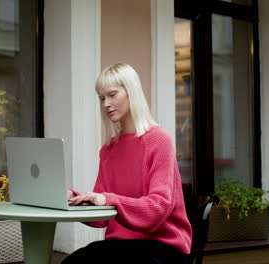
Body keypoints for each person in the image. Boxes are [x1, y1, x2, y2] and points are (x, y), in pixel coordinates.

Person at [63, 63, 192, 264]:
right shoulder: (108, 150)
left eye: (112, 94)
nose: (106, 103)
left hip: (163, 247)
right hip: (122, 246)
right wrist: (76, 200)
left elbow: (157, 209)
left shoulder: (158, 141)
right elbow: (101, 217)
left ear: (131, 92)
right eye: (101, 98)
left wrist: (107, 200)